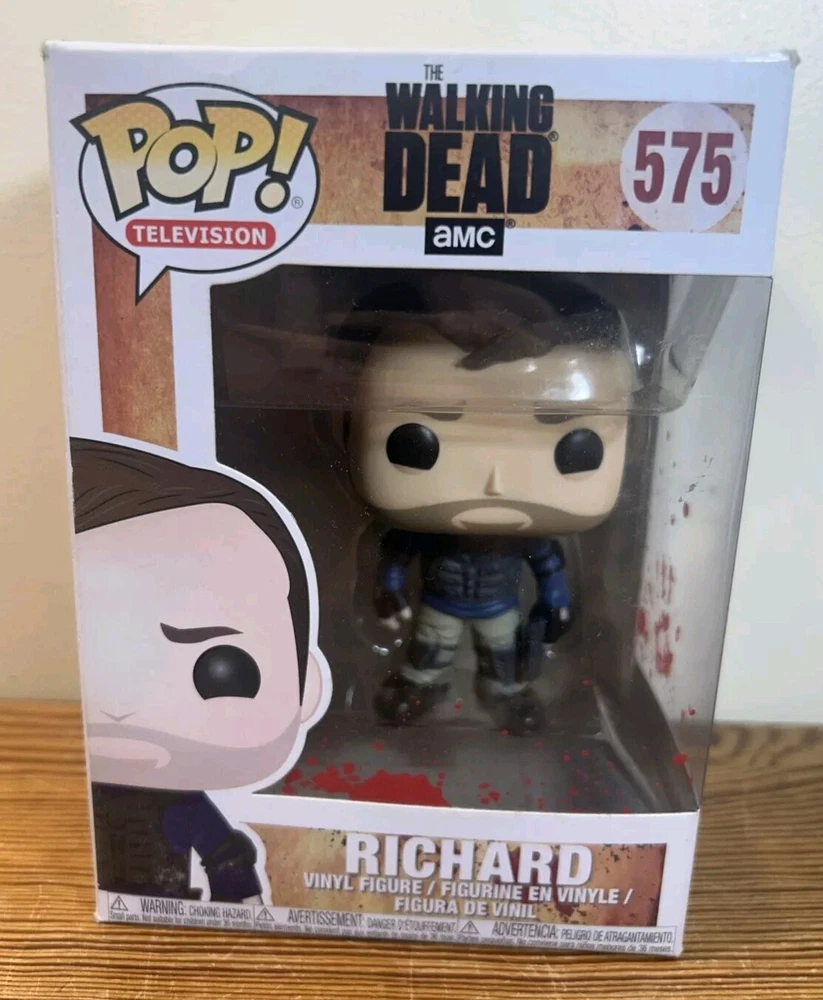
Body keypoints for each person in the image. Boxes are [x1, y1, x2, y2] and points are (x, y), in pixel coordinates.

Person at [346, 274, 631, 734]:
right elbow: (397, 552)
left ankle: (505, 693)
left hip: (498, 609)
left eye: (574, 448)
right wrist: (389, 588)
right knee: (430, 648)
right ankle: (420, 683)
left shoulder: (523, 541)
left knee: (502, 654)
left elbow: (548, 565)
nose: (495, 484)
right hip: (441, 603)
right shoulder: (430, 532)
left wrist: (556, 604)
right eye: (418, 443)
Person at [72, 439, 327, 901]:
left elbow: (226, 856)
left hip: (167, 906)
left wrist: (239, 902)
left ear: (304, 685)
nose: (121, 706)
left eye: (220, 669)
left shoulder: (182, 803)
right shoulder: (69, 785)